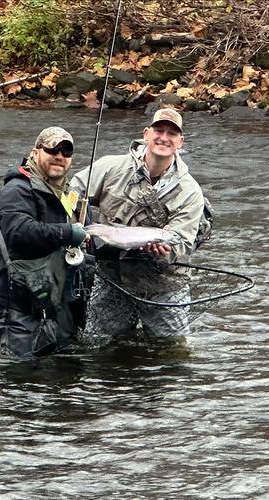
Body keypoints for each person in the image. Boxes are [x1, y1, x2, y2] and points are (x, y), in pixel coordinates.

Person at [70, 108, 210, 346]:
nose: (164, 138)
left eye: (172, 133)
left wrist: (166, 252)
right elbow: (72, 192)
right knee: (102, 346)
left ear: (180, 142)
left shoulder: (189, 191)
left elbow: (183, 243)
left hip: (164, 285)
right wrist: (75, 227)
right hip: (112, 277)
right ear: (146, 133)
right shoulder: (110, 167)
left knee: (171, 353)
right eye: (159, 130)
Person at [0, 126, 90, 357]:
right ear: (35, 153)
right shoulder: (17, 189)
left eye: (66, 152)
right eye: (52, 149)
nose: (59, 156)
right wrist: (69, 233)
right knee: (23, 375)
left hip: (60, 301)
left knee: (64, 375)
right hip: (19, 301)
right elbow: (19, 232)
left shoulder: (71, 196)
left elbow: (90, 238)